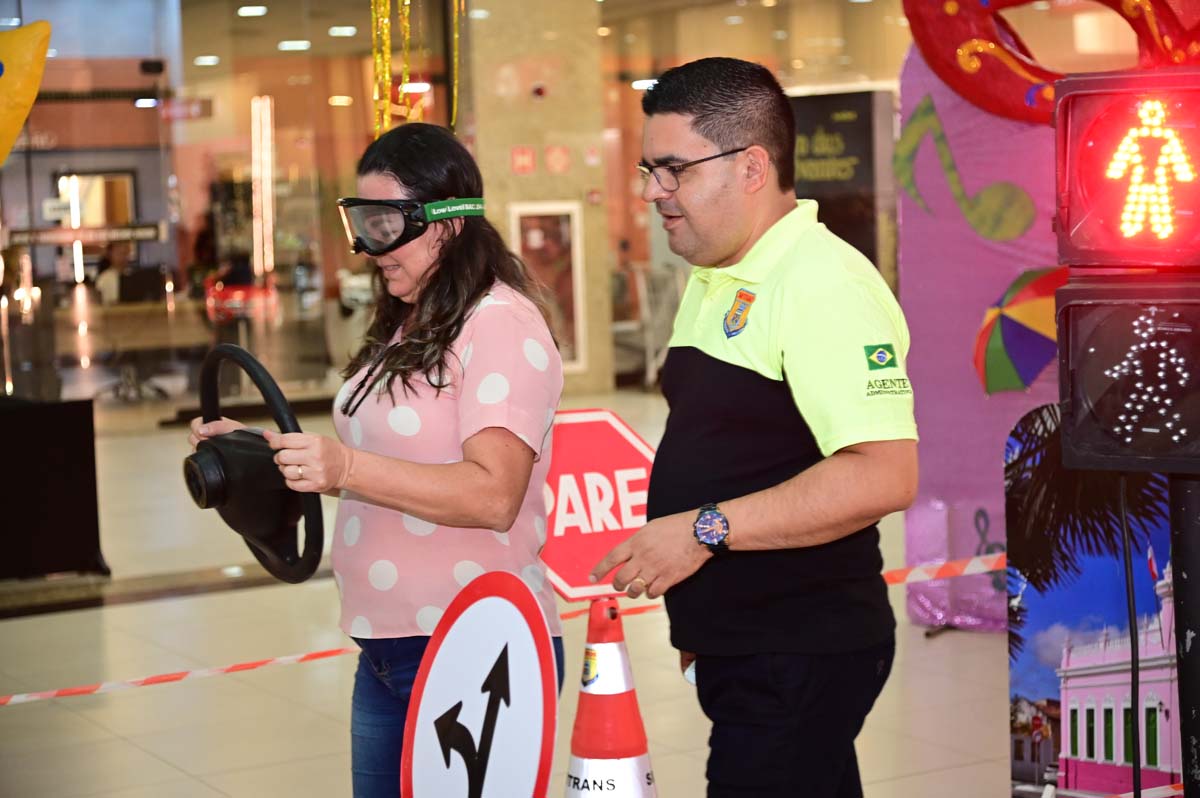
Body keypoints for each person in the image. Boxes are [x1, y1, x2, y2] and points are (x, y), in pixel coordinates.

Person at [189, 123, 565, 797]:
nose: (367, 247)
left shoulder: (498, 323)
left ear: (448, 222)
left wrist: (345, 469)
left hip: (472, 643)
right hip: (393, 645)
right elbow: (385, 465)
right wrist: (265, 455)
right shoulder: (412, 321)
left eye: (385, 225)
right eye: (359, 225)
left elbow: (493, 495)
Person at [591, 57, 919, 798]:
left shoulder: (823, 284)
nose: (652, 192)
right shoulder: (717, 275)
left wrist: (701, 531)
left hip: (801, 647)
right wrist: (705, 628)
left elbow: (884, 474)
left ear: (752, 167)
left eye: (673, 170)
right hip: (749, 646)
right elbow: (733, 446)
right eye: (648, 170)